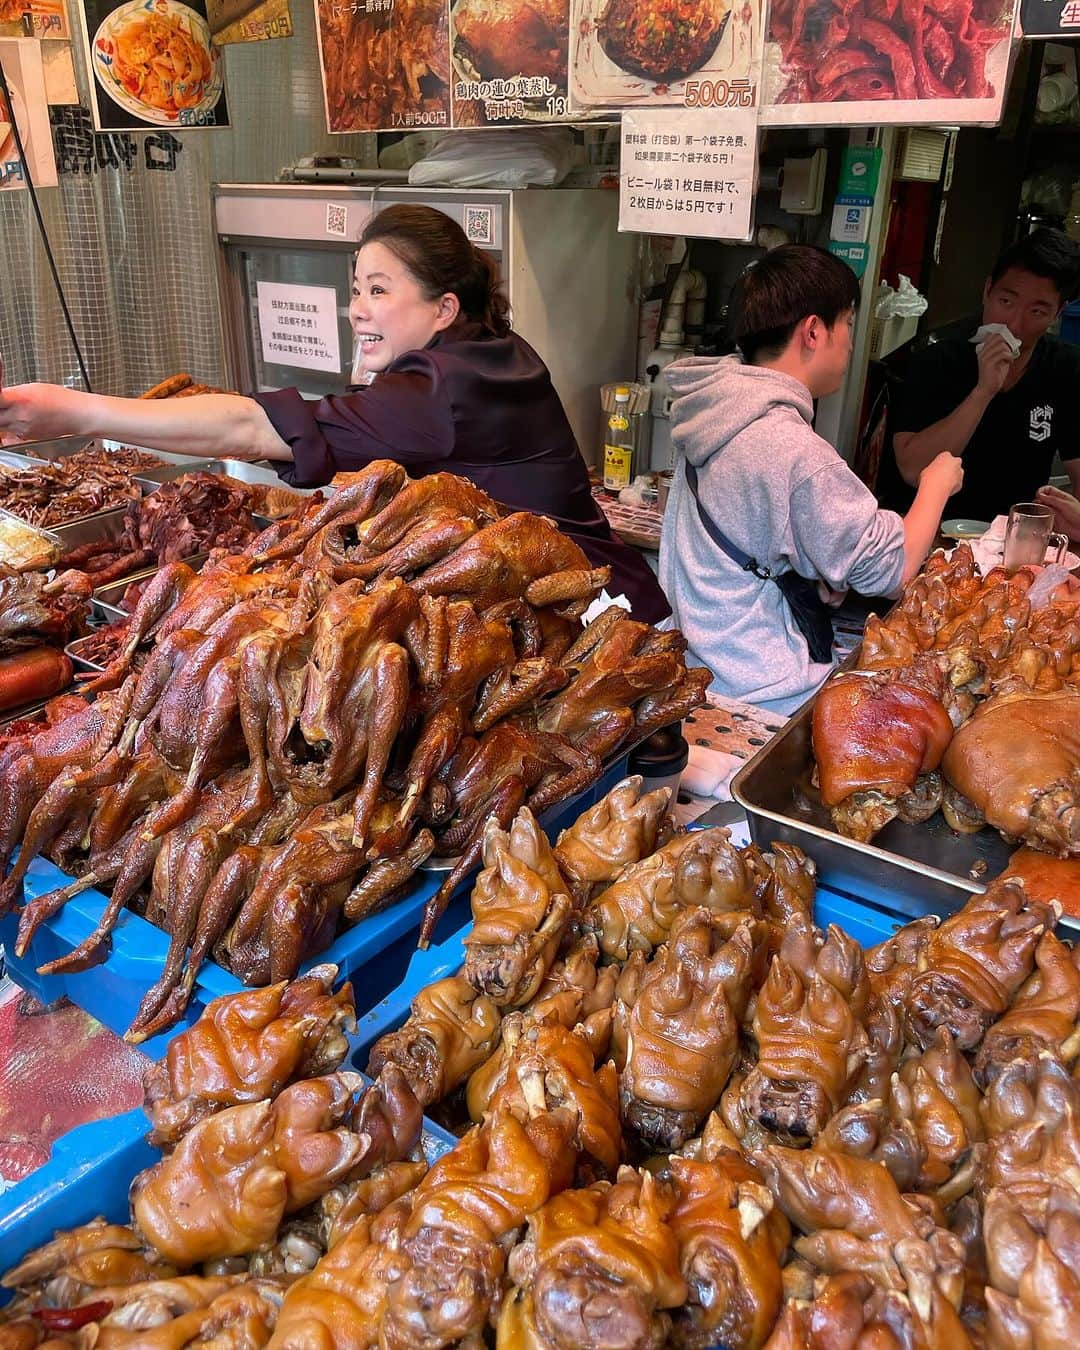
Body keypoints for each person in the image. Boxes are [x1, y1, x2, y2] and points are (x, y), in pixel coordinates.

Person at [0, 204, 668, 622]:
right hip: (591, 589)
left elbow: (248, 428)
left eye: (379, 290)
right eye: (356, 290)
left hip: (594, 615)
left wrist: (74, 411)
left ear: (444, 308)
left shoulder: (443, 384)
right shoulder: (482, 351)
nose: (357, 309)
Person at [658, 244, 963, 716]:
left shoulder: (716, 406)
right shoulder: (791, 447)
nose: (849, 345)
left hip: (697, 667)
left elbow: (753, 529)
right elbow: (893, 570)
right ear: (815, 331)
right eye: (849, 326)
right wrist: (935, 485)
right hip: (761, 692)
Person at [891, 228, 1080, 524]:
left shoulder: (1067, 367)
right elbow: (913, 469)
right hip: (931, 533)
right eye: (1006, 302)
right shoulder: (936, 356)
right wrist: (983, 392)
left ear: (1058, 314)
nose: (1015, 324)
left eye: (1037, 312)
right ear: (987, 290)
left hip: (1015, 540)